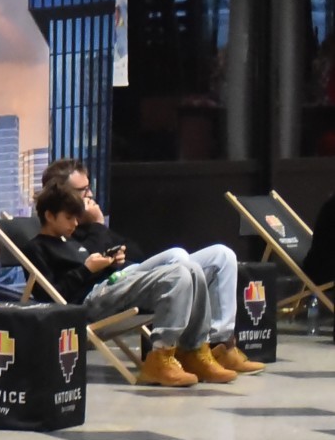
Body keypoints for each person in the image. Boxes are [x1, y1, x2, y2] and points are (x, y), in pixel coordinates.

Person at [34, 159, 262, 379]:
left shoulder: (75, 229)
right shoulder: (55, 238)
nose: (90, 195)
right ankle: (179, 351)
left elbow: (136, 252)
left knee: (222, 255)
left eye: (89, 187)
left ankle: (219, 345)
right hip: (102, 293)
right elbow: (55, 293)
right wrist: (96, 235)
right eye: (82, 190)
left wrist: (112, 256)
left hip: (124, 279)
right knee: (180, 261)